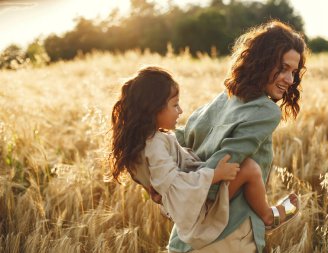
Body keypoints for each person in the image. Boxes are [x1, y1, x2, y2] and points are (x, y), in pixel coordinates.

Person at [110, 65, 298, 250]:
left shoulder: (144, 142)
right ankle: (268, 216)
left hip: (184, 206)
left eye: (294, 72)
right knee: (249, 168)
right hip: (194, 208)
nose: (181, 111)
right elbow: (174, 184)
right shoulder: (155, 145)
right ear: (152, 109)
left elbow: (164, 173)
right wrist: (215, 175)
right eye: (175, 105)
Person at [168, 20, 308, 253]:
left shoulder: (224, 98)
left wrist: (171, 191)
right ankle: (270, 215)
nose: (290, 80)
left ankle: (270, 214)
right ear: (262, 62)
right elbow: (227, 161)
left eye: (293, 72)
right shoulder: (266, 109)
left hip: (186, 236)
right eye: (282, 68)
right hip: (227, 236)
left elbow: (182, 142)